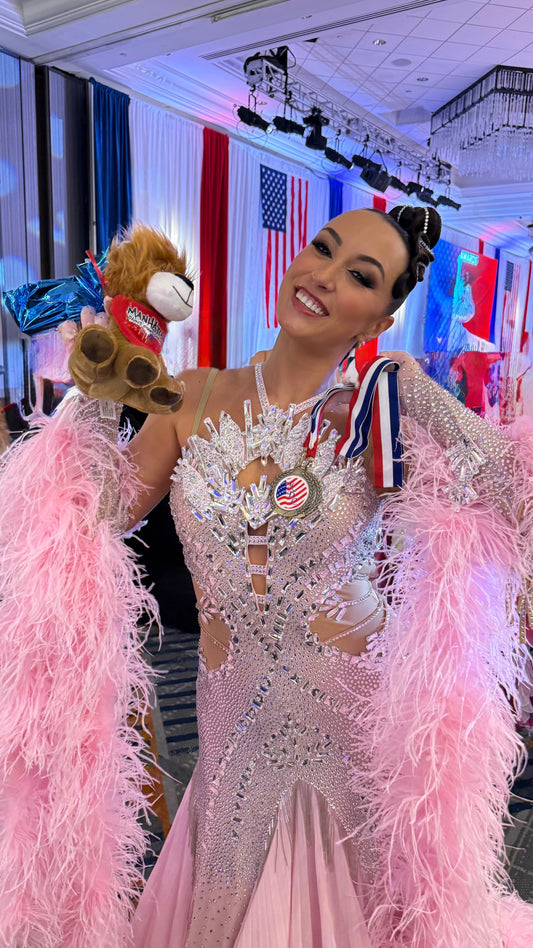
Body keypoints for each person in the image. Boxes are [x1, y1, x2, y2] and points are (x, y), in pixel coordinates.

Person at [0, 206, 531, 948]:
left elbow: (519, 497)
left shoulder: (374, 410)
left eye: (360, 276)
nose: (322, 274)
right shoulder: (191, 396)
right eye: (323, 248)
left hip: (350, 730)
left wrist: (426, 398)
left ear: (377, 317)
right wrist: (98, 383)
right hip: (225, 727)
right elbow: (90, 514)